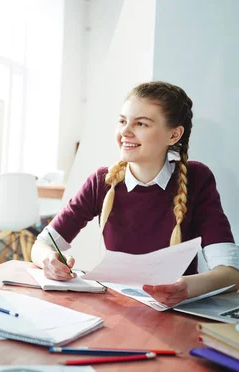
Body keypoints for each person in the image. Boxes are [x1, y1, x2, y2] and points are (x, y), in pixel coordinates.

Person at [31, 81, 239, 307]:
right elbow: (42, 245)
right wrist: (49, 260)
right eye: (122, 121)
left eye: (141, 123)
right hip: (116, 310)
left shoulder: (197, 179)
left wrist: (186, 288)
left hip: (175, 312)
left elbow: (230, 274)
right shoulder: (101, 182)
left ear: (174, 135)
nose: (125, 132)